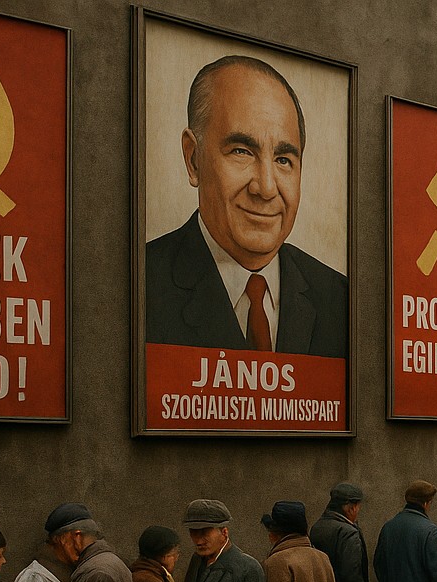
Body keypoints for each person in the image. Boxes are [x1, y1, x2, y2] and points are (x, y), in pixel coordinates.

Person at [146, 54, 347, 357]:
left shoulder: (342, 302)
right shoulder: (138, 287)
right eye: (241, 151)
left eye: (283, 160)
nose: (265, 188)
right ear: (193, 159)